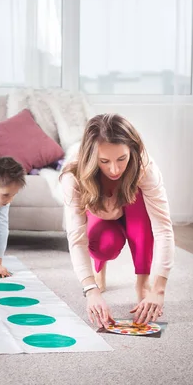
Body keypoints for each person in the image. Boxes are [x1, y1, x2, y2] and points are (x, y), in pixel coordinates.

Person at [60, 113, 174, 327]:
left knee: (142, 215)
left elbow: (163, 230)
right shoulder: (73, 175)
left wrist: (158, 288)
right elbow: (77, 239)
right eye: (104, 161)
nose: (114, 170)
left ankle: (143, 283)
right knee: (104, 246)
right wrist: (90, 289)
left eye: (122, 159)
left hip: (133, 210)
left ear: (132, 150)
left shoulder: (145, 167)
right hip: (101, 212)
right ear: (92, 158)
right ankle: (99, 268)